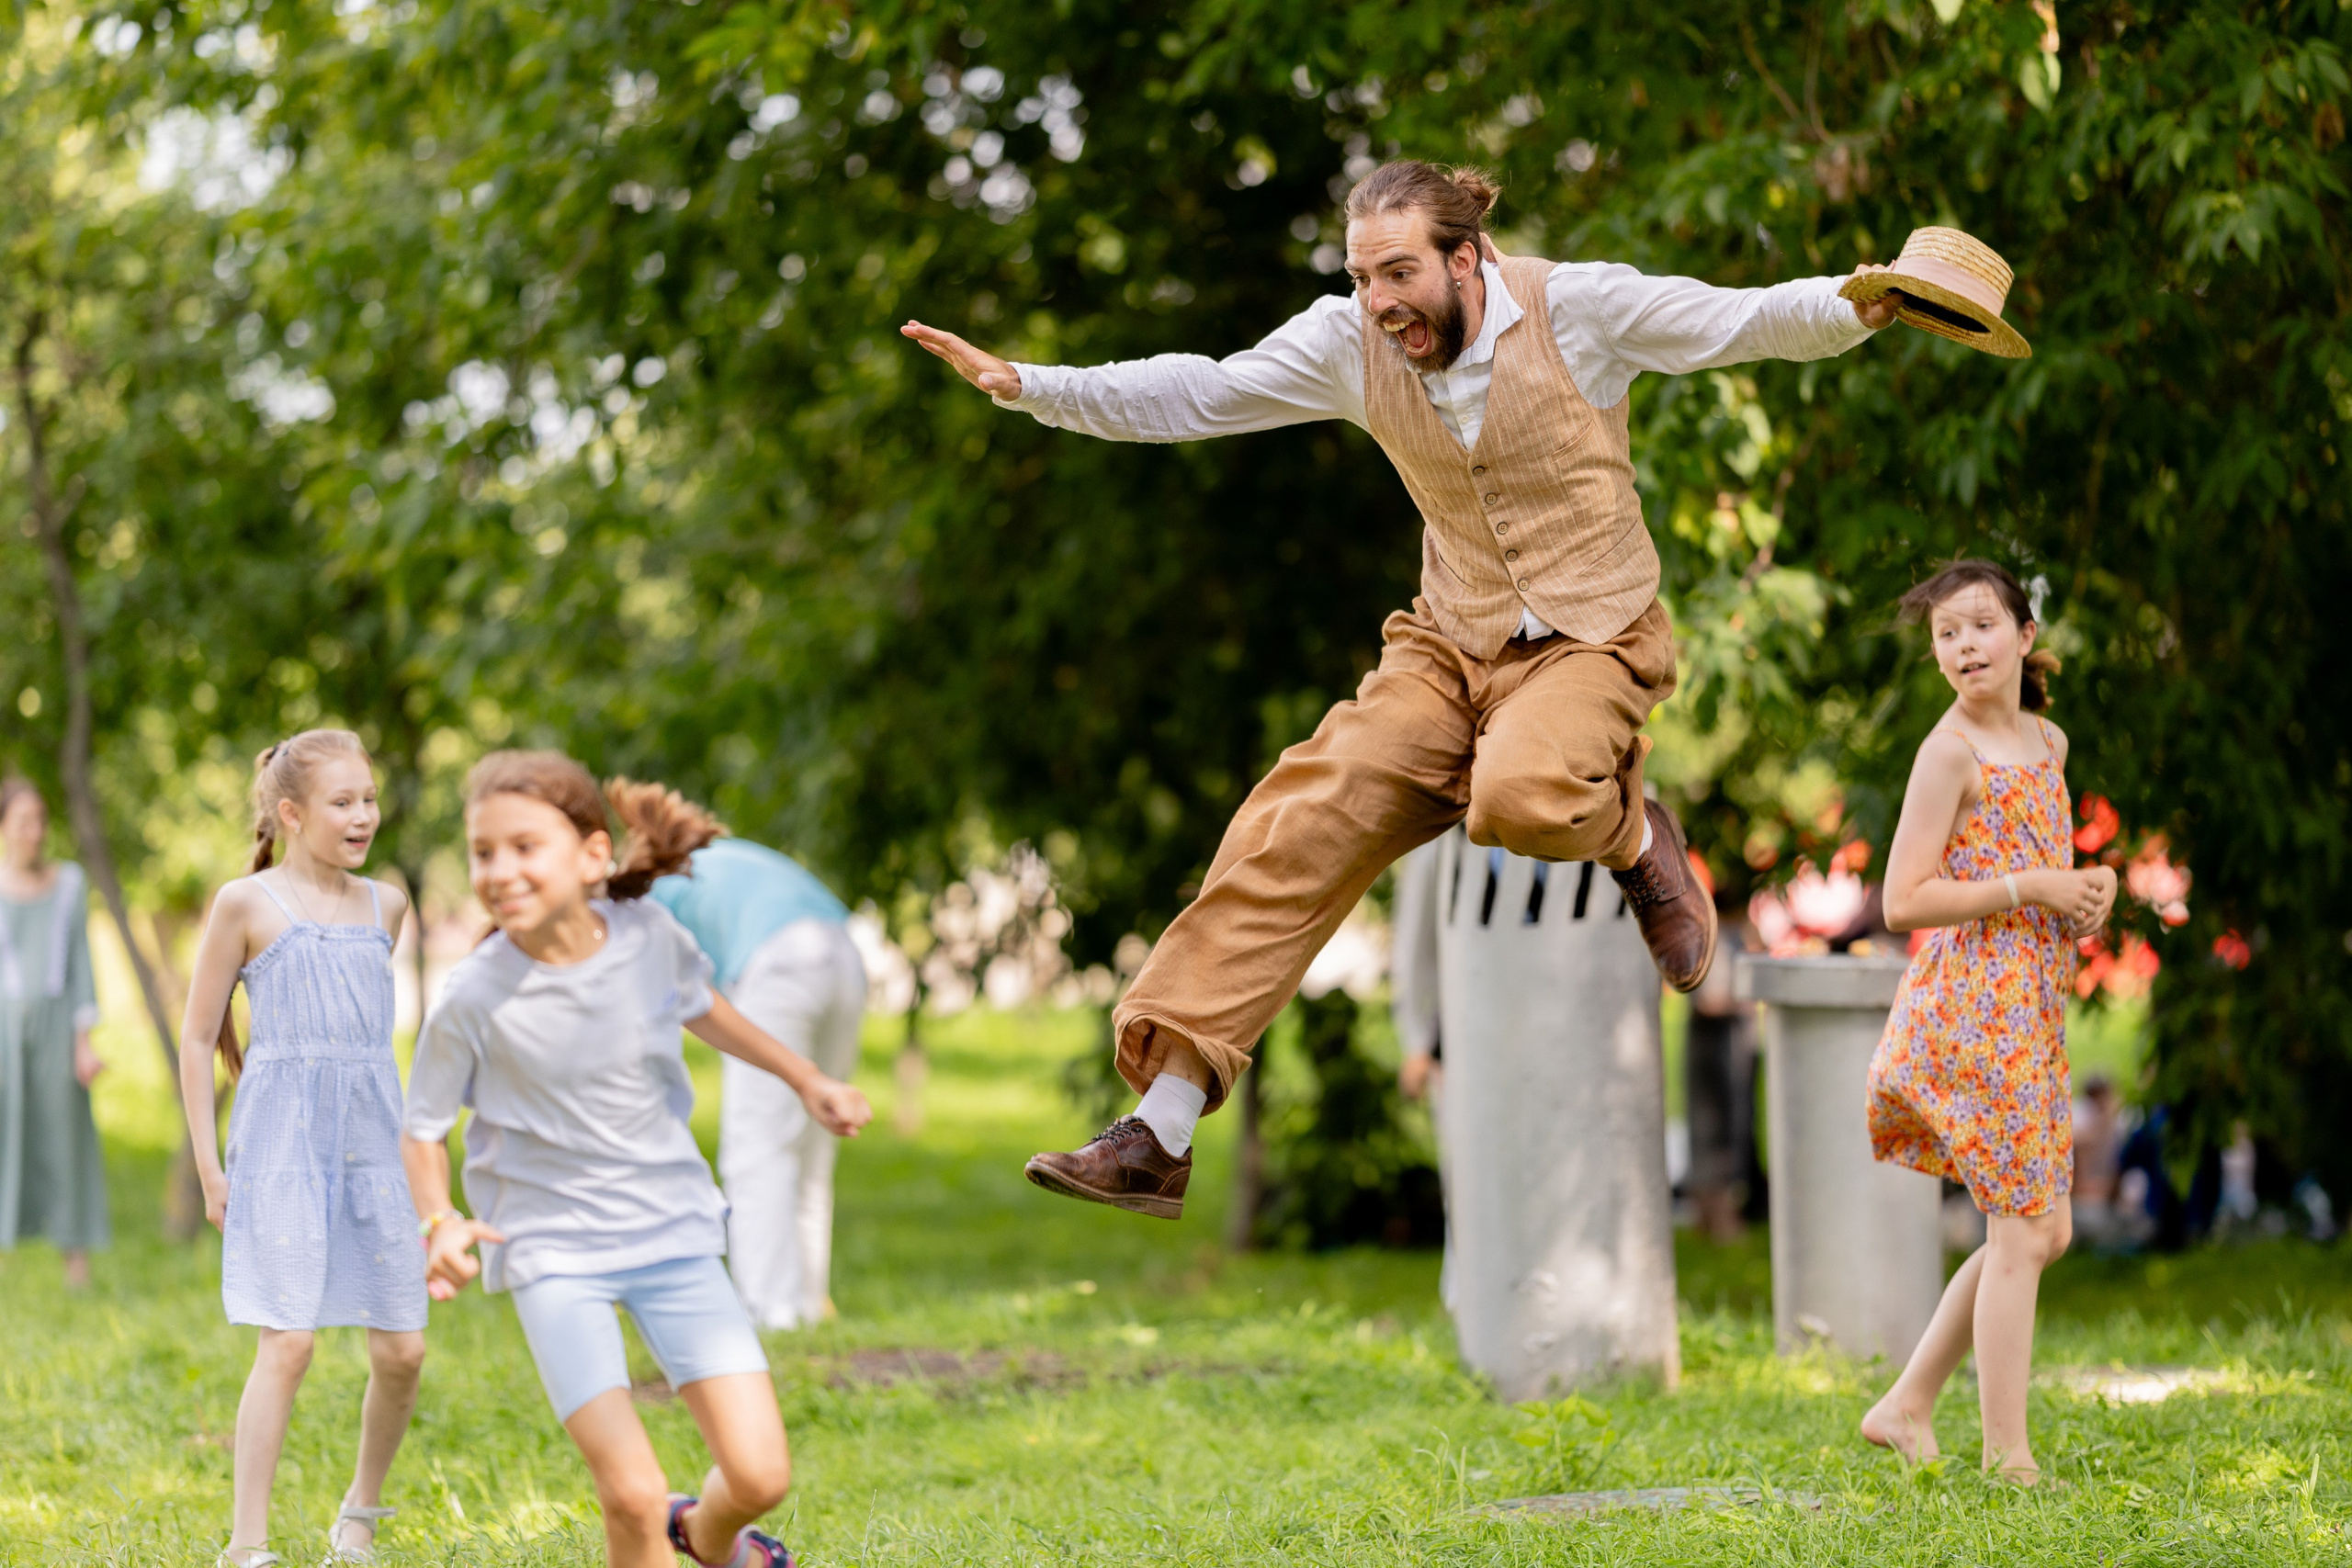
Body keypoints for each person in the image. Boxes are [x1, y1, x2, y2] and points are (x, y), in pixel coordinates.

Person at [904, 158, 1905, 1218]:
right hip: (1446, 641)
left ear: (1465, 259)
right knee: (1300, 818)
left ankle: (1631, 836)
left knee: (1519, 798)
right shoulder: (1349, 344)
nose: (1377, 301)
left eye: (1397, 273)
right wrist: (1033, 386)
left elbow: (1738, 320)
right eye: (1359, 276)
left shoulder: (1579, 309)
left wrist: (1857, 307)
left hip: (1589, 637)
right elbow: (1202, 389)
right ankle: (1161, 1128)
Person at [401, 753, 871, 1568]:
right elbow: (422, 1125)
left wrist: (807, 1078)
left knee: (760, 1473)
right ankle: (662, 1524)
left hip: (671, 1230)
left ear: (592, 855)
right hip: (552, 1251)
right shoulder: (474, 993)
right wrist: (438, 1221)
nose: (500, 870)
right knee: (631, 1494)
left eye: (524, 847)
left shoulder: (649, 935)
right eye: (483, 852)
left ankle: (707, 1536)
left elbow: (708, 1008)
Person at [1857, 560, 2118, 1484]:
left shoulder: (2048, 741)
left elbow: (2049, 871)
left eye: (1980, 626)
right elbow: (1902, 899)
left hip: (2030, 1012)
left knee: (2045, 1234)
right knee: (2020, 1235)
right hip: (1973, 1012)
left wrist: (2090, 887)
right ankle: (2009, 1459)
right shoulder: (1948, 753)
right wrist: (2029, 886)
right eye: (1946, 634)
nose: (1964, 645)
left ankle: (1906, 1404)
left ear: (2024, 636)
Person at [176, 732, 426, 1566]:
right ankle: (246, 1544)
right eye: (342, 801)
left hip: (370, 1148)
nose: (363, 816)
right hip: (280, 1146)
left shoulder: (388, 906)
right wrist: (210, 1167)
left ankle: (359, 1515)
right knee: (288, 1342)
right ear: (290, 813)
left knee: (404, 1348)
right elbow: (197, 1036)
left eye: (369, 798)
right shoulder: (245, 904)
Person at [651, 836, 866, 1330]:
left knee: (757, 1149)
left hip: (780, 962)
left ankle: (769, 1312)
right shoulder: (724, 856)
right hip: (843, 953)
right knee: (813, 1148)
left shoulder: (650, 890)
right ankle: (807, 1304)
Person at [0, 777, 107, 1289]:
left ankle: (76, 1270)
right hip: (4, 1031)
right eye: (24, 822)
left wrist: (83, 1041)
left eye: (41, 820)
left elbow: (82, 962)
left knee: (66, 1139)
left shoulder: (68, 883)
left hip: (58, 1030)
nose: (35, 831)